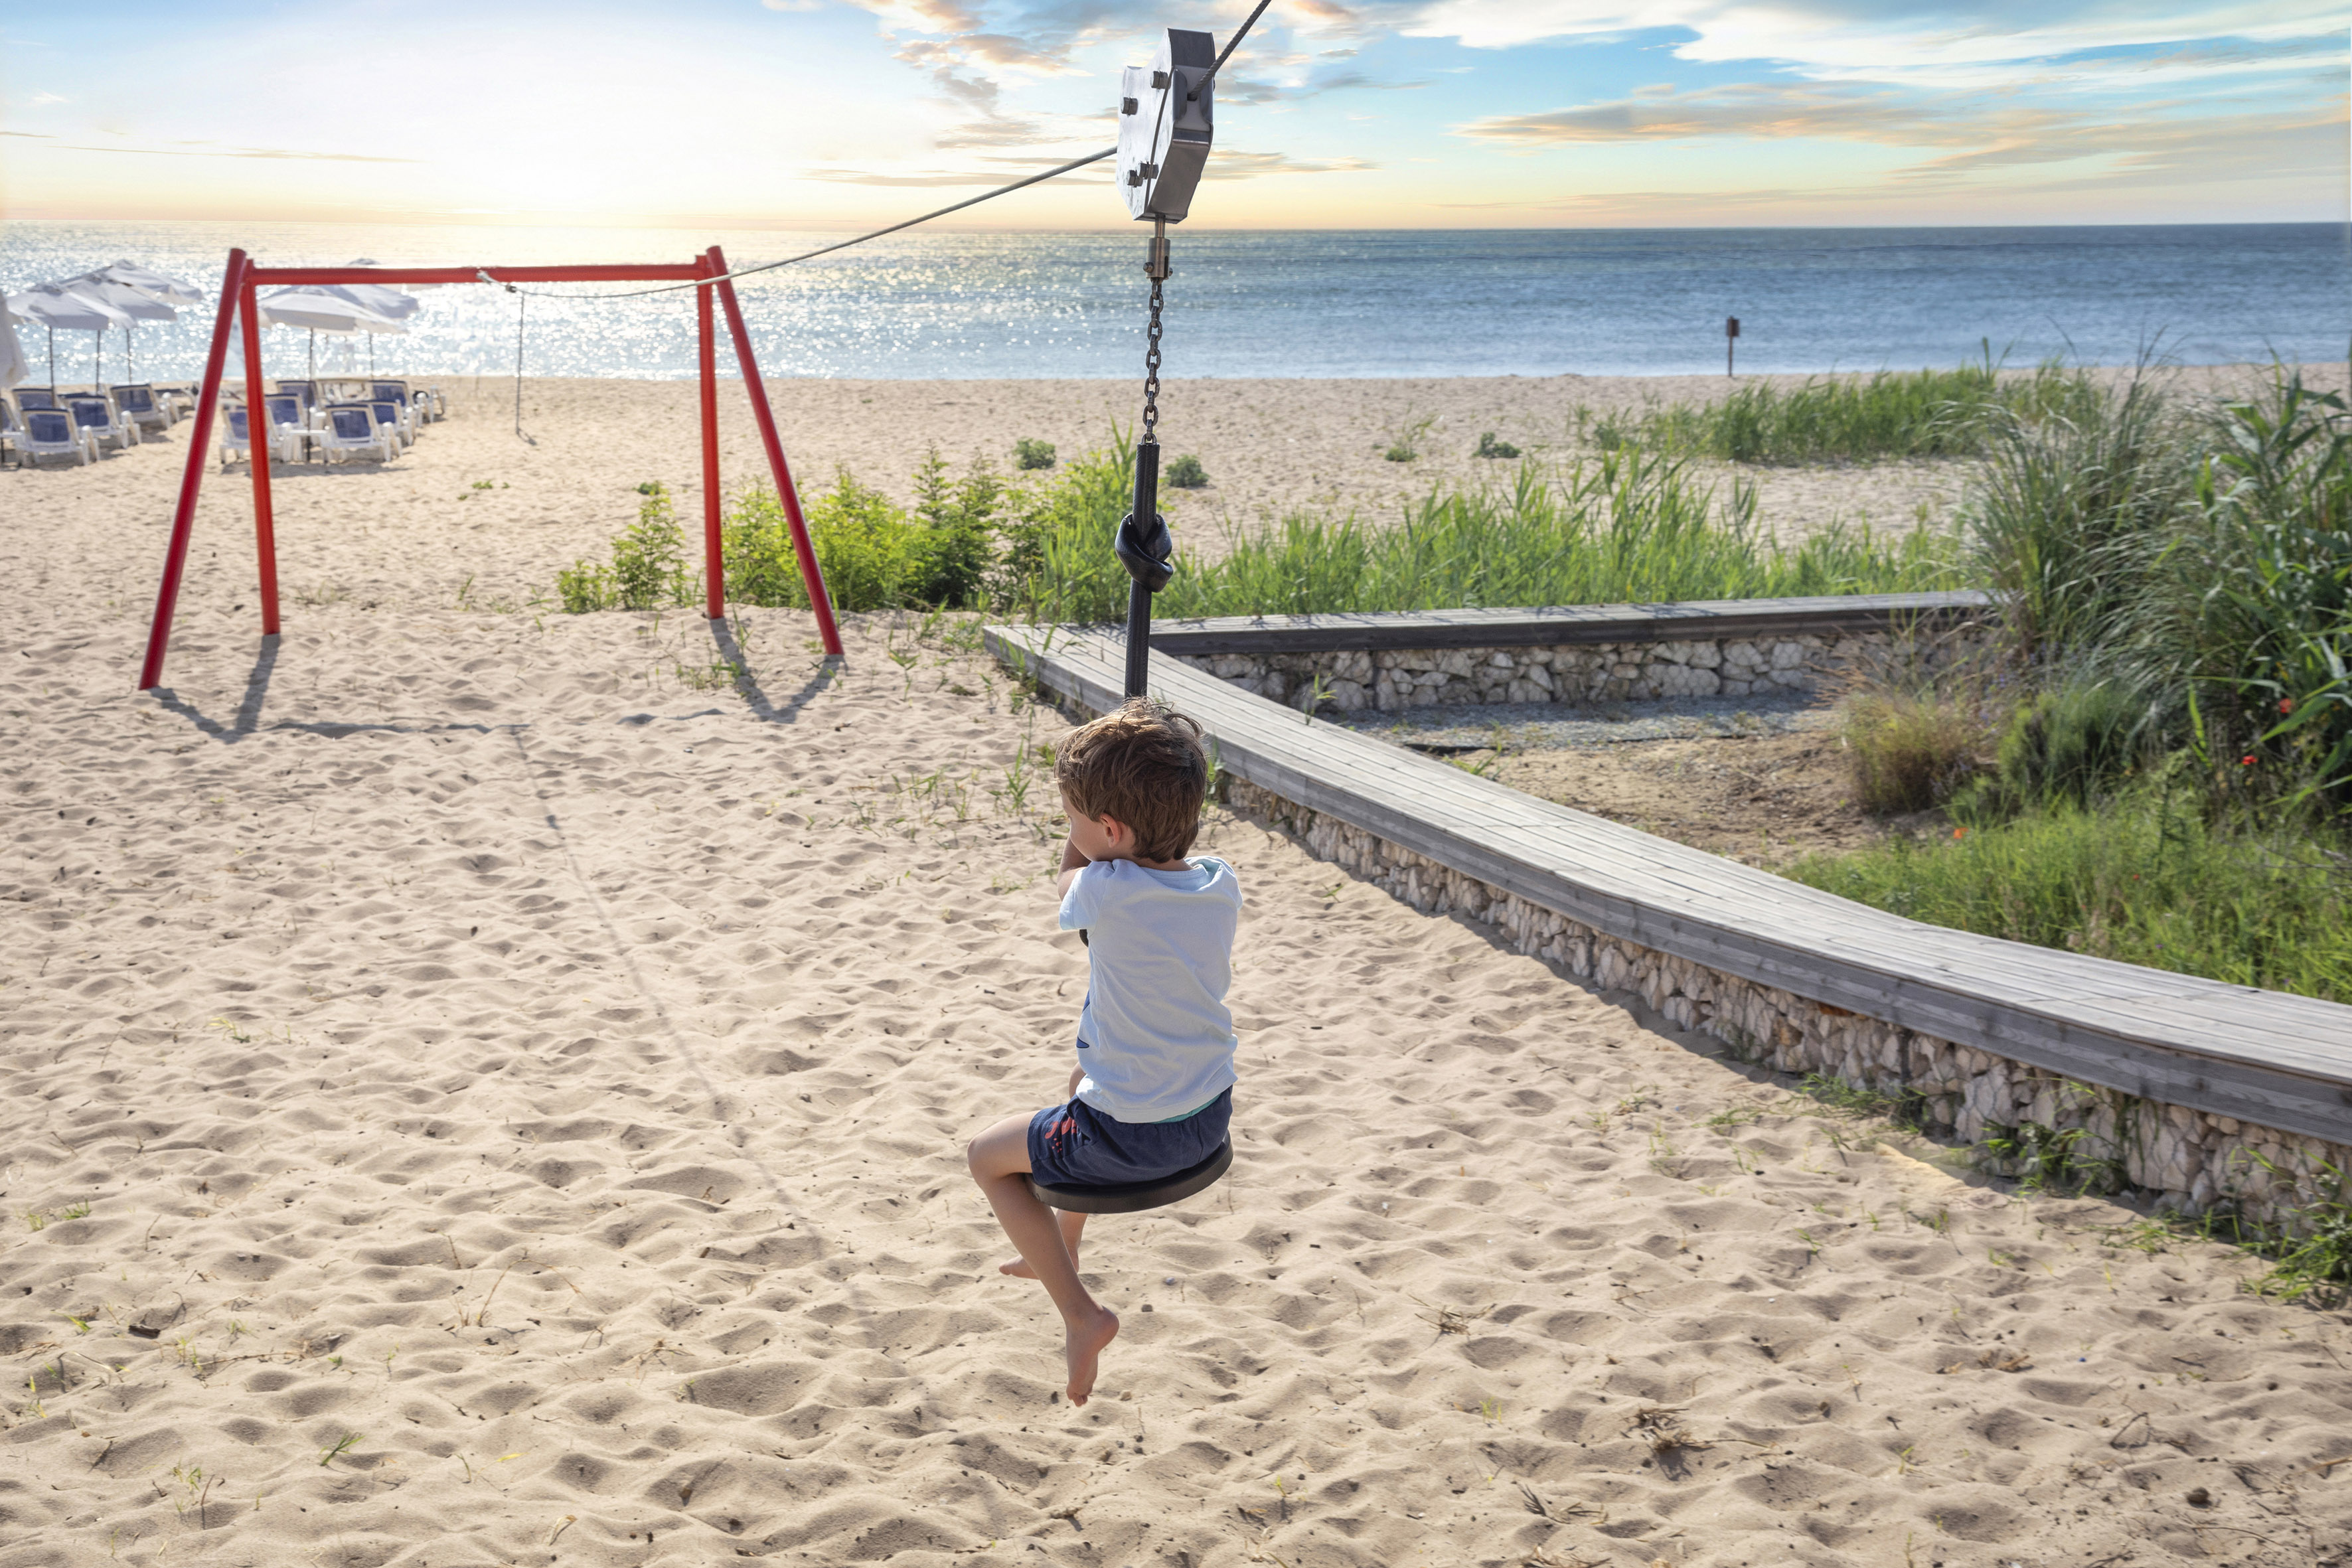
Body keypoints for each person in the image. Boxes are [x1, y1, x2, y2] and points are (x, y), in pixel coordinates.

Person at [965, 699, 1241, 1405]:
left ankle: (1080, 1312)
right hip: (1207, 1117)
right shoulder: (1219, 882)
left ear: (1109, 831)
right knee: (1080, 1073)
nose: (1072, 834)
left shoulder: (1105, 889)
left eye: (1074, 820)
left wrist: (1083, 843)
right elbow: (1125, 851)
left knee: (987, 1159)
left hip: (1130, 1140)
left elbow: (1067, 883)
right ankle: (1069, 1239)